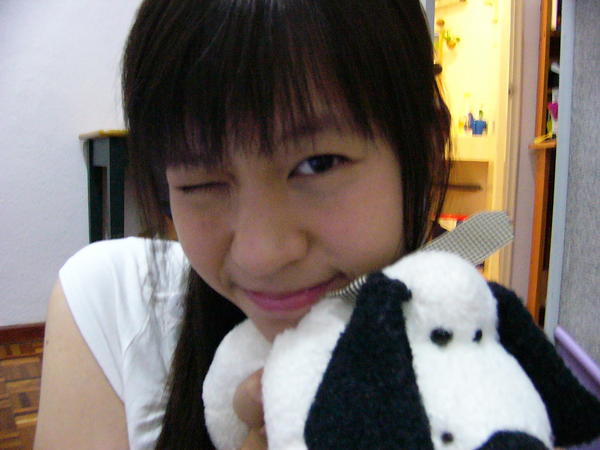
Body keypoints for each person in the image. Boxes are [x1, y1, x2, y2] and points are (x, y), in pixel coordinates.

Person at [34, 0, 450, 448]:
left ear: (424, 156)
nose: (260, 256)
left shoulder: (477, 378)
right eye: (200, 182)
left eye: (319, 163)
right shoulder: (114, 304)